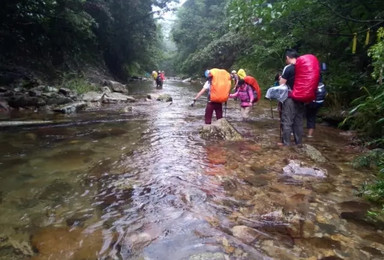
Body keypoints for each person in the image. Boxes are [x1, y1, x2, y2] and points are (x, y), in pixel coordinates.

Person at [279, 49, 305, 146]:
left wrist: (281, 78)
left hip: (290, 98)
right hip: (302, 97)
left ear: (287, 57)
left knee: (287, 120)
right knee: (298, 121)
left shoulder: (288, 68)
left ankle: (286, 144)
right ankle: (299, 143)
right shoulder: (303, 68)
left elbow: (282, 84)